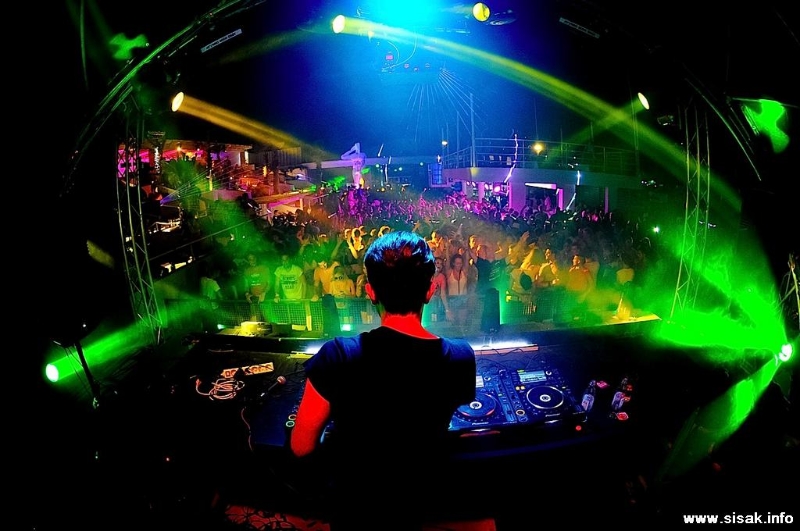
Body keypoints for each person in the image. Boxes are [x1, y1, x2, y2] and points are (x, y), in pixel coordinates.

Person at [290, 231, 477, 530]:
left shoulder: (337, 355)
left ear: (370, 292)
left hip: (355, 506)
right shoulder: (461, 357)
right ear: (430, 291)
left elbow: (302, 446)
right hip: (418, 501)